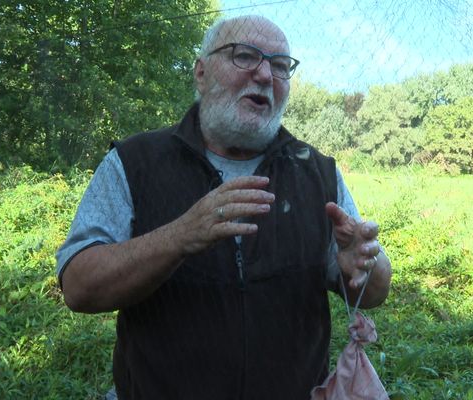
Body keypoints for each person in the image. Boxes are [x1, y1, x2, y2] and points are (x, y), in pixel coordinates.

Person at [56, 15, 392, 400]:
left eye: (281, 66)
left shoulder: (317, 173)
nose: (266, 74)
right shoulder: (135, 163)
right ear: (201, 73)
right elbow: (79, 288)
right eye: (245, 56)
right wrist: (180, 236)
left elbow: (373, 292)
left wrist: (367, 263)